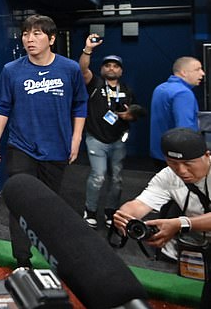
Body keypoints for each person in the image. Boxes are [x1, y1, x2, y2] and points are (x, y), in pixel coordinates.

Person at [0, 14, 88, 269]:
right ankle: (22, 259)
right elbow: (3, 107)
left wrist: (76, 139)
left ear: (52, 38)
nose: (29, 39)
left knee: (48, 204)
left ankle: (50, 252)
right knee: (20, 201)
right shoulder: (12, 70)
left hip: (57, 147)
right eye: (25, 34)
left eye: (37, 34)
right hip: (21, 147)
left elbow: (80, 105)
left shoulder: (70, 69)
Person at [114, 127, 211, 307]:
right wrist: (125, 215)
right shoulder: (168, 175)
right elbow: (139, 204)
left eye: (189, 163)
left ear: (207, 155)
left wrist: (180, 223)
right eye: (172, 162)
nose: (181, 170)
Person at [79, 34, 139, 229]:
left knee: (118, 179)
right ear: (102, 69)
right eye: (108, 65)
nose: (111, 68)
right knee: (98, 175)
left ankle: (110, 211)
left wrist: (130, 115)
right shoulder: (95, 84)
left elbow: (134, 113)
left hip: (118, 141)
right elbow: (82, 69)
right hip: (96, 139)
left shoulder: (127, 90)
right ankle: (90, 211)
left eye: (115, 66)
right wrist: (88, 50)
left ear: (121, 71)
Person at [150, 57, 205, 169]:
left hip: (159, 154)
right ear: (184, 72)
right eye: (197, 69)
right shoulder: (183, 93)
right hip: (178, 158)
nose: (202, 73)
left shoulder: (160, 88)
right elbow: (185, 130)